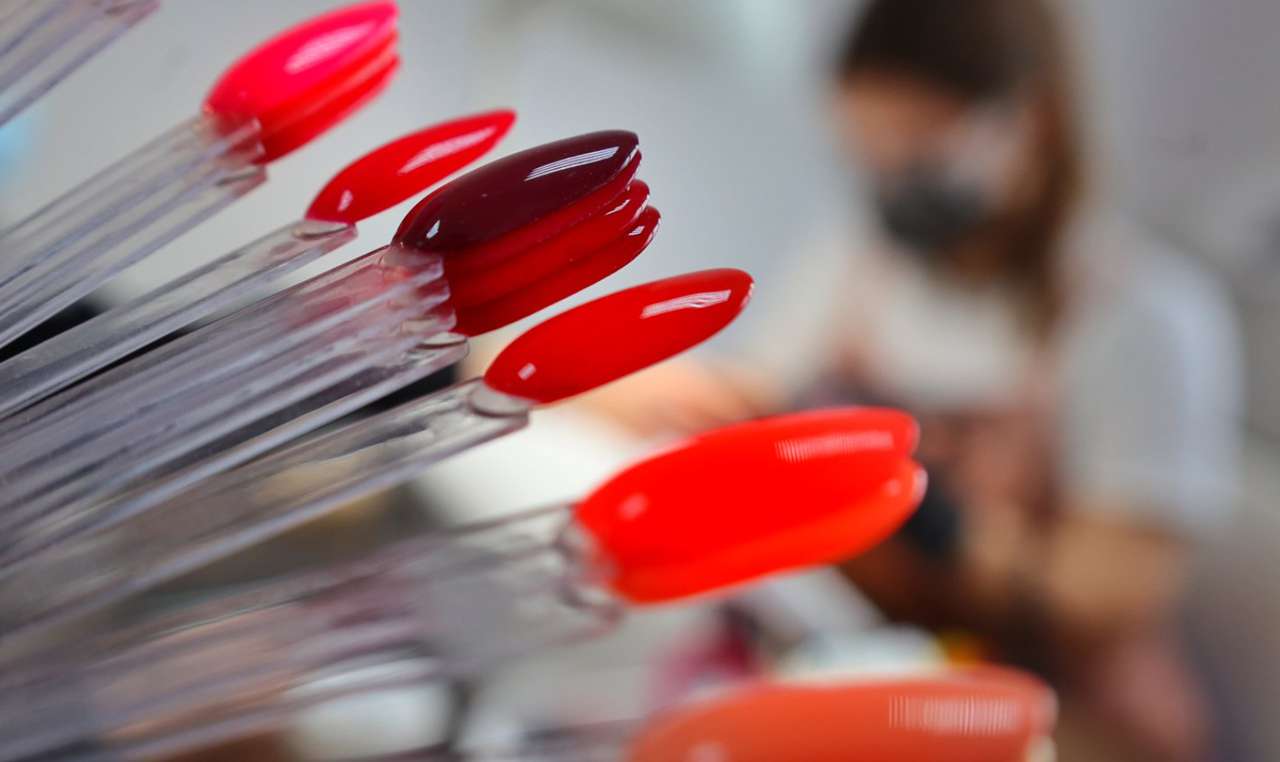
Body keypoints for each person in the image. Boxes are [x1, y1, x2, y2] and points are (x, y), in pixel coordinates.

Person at [579, 0, 1244, 759]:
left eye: (922, 152)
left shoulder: (1144, 314)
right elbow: (759, 398)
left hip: (1062, 711)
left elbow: (1114, 592)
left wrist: (937, 522)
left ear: (1033, 121)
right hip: (881, 658)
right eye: (872, 155)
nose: (894, 185)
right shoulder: (862, 263)